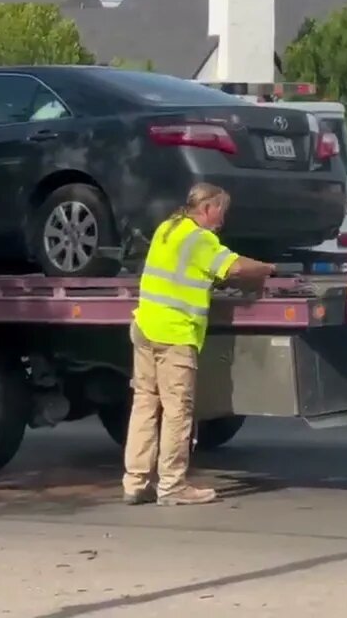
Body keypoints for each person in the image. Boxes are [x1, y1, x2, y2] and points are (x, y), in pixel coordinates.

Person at [122, 182, 276, 506]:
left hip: (145, 327)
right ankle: (172, 486)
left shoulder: (168, 228)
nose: (223, 221)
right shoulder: (200, 238)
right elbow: (234, 267)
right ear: (207, 208)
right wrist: (267, 268)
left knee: (145, 407)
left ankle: (136, 483)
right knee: (178, 411)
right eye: (221, 212)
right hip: (175, 334)